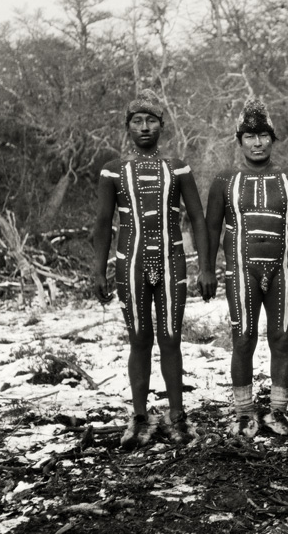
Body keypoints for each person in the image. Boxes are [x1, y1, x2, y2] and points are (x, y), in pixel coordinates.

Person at [93, 89, 215, 449]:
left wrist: (207, 267)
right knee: (139, 340)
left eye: (151, 121)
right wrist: (98, 271)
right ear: (127, 126)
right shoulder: (113, 171)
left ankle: (177, 415)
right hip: (128, 263)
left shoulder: (177, 167)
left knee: (171, 338)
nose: (144, 127)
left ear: (162, 125)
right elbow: (102, 224)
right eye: (137, 121)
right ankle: (140, 416)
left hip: (171, 261)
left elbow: (197, 217)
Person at [205, 98, 288, 438]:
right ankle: (244, 411)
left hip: (283, 269)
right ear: (239, 141)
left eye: (263, 136)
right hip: (241, 270)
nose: (257, 143)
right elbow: (211, 228)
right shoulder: (225, 181)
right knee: (243, 337)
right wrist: (206, 268)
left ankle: (278, 411)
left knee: (281, 337)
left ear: (273, 139)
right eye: (249, 137)